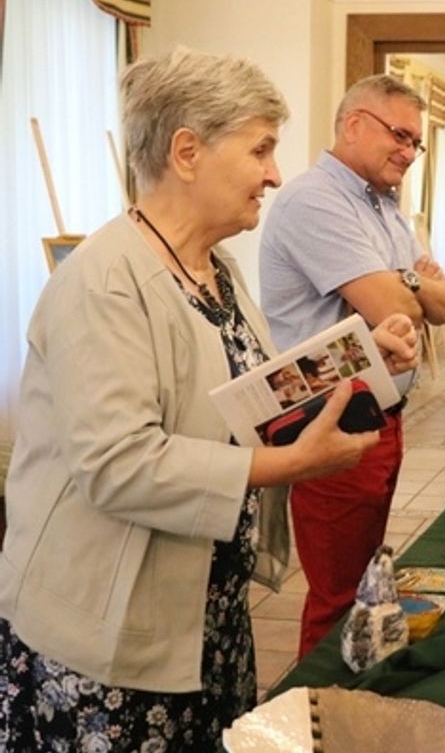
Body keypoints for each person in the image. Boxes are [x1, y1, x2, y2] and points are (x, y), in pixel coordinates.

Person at [0, 49, 417, 750]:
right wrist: (288, 467)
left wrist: (367, 359)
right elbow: (120, 465)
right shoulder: (104, 284)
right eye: (260, 149)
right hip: (111, 633)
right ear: (187, 151)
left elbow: (244, 399)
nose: (275, 174)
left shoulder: (213, 269)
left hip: (204, 616)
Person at [260, 74, 445, 658]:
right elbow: (401, 307)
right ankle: (314, 718)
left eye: (416, 143)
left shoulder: (384, 207)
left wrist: (412, 286)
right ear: (353, 125)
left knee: (364, 582)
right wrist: (412, 280)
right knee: (337, 595)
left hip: (381, 415)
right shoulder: (315, 201)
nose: (408, 151)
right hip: (331, 419)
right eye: (399, 135)